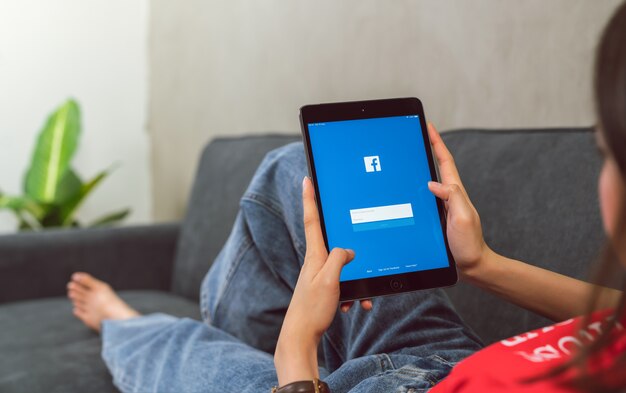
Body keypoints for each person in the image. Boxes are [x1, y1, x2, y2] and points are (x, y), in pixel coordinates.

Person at [67, 3, 626, 392]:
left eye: (604, 155)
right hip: (450, 357)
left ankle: (128, 325)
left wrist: (295, 357)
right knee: (294, 170)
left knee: (178, 355)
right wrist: (481, 264)